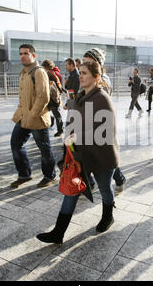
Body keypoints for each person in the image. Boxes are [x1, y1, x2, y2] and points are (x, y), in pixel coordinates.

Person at [36, 59, 119, 244]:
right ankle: (58, 232)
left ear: (96, 77)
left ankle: (108, 216)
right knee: (72, 190)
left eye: (84, 73)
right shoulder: (82, 95)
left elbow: (104, 130)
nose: (80, 76)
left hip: (102, 155)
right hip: (82, 154)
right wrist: (68, 140)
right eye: (79, 72)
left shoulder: (101, 98)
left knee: (105, 188)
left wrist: (76, 137)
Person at [10, 44, 57, 188]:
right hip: (24, 117)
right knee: (15, 144)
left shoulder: (38, 72)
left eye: (26, 53)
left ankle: (50, 176)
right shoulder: (24, 73)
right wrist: (19, 114)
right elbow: (22, 98)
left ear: (33, 55)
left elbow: (43, 96)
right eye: (20, 53)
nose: (22, 56)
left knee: (44, 148)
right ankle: (24, 174)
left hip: (38, 118)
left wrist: (33, 114)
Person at [82, 48, 126, 193]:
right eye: (84, 61)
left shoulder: (103, 81)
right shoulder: (86, 76)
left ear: (98, 64)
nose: (84, 64)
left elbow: (99, 105)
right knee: (101, 158)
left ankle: (117, 179)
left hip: (99, 126)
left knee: (106, 159)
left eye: (89, 61)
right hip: (88, 123)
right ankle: (92, 182)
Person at [41, 59, 64, 137]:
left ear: (46, 67)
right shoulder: (53, 73)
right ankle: (52, 121)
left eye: (43, 67)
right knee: (49, 112)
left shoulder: (50, 74)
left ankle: (60, 130)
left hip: (54, 98)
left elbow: (53, 86)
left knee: (57, 114)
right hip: (54, 97)